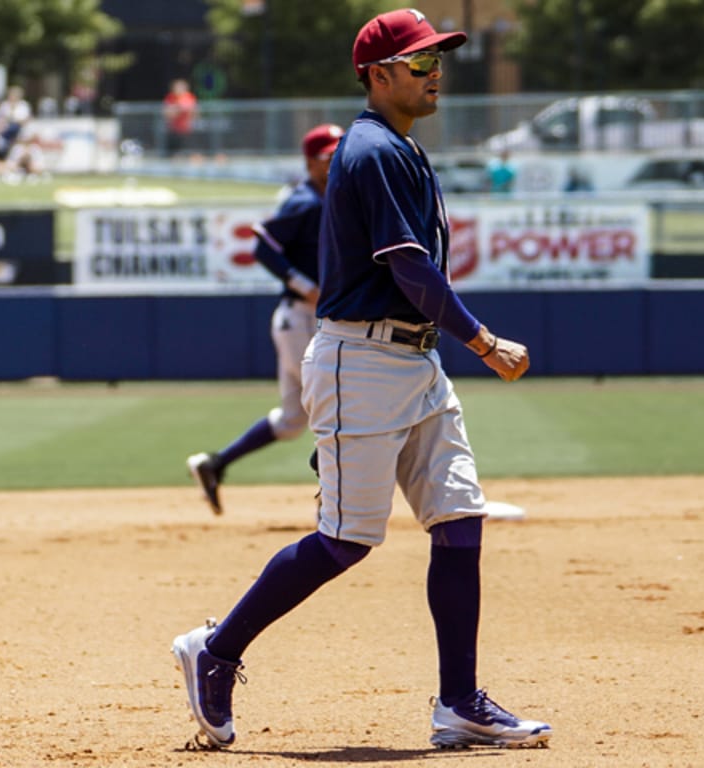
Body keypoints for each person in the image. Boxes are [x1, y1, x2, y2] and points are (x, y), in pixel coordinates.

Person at [171, 8, 552, 753]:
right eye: (419, 62)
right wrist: (479, 338)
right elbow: (409, 266)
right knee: (346, 540)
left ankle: (459, 703)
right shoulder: (372, 149)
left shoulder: (400, 148)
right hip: (363, 357)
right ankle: (215, 649)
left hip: (411, 362)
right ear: (378, 76)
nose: (435, 71)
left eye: (438, 58)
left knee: (458, 518)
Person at [185, 123, 342, 515]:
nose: (336, 161)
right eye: (328, 156)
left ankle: (213, 464)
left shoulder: (332, 196)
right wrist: (303, 283)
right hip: (303, 318)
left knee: (292, 421)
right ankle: (336, 497)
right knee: (336, 405)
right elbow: (264, 246)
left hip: (302, 321)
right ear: (310, 161)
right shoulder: (305, 201)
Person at [162, 78, 198, 157]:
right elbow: (168, 113)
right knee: (174, 153)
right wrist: (179, 108)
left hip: (187, 130)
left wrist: (178, 108)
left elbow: (193, 111)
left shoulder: (189, 97)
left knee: (189, 152)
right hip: (174, 130)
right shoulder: (170, 97)